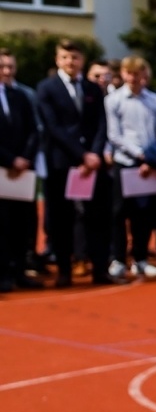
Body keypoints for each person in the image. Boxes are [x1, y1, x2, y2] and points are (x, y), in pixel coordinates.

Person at [36, 40, 116, 286]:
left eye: (75, 57)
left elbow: (102, 123)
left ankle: (100, 269)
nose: (71, 62)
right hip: (63, 163)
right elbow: (53, 127)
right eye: (66, 57)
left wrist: (94, 154)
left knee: (98, 218)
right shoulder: (46, 88)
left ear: (82, 60)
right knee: (61, 219)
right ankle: (64, 271)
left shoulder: (93, 88)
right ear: (58, 60)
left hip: (93, 164)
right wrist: (82, 155)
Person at [104, 56, 156, 279]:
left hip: (150, 165)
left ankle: (140, 259)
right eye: (129, 73)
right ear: (122, 74)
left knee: (145, 213)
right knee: (119, 213)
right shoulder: (113, 100)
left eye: (138, 73)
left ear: (145, 75)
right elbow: (114, 135)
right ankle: (119, 259)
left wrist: (150, 159)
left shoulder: (155, 101)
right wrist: (139, 154)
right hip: (125, 163)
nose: (133, 78)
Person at [0, 48, 40, 292]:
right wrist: (9, 159)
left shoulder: (21, 96)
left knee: (22, 224)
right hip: (1, 170)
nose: (6, 71)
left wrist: (25, 158)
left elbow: (34, 131)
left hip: (23, 171)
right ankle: (3, 274)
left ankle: (20, 272)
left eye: (10, 67)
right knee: (1, 225)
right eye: (2, 67)